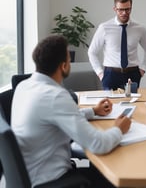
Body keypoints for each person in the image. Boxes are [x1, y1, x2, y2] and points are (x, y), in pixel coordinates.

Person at [11, 35, 131, 187]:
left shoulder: (24, 86)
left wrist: (93, 111)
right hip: (51, 180)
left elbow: (54, 117)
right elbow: (98, 144)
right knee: (117, 176)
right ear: (64, 66)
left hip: (30, 173)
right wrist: (119, 129)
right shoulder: (55, 96)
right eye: (69, 59)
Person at [88, 0, 146, 90]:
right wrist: (100, 73)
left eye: (127, 9)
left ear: (131, 8)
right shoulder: (104, 27)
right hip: (110, 75)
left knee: (133, 104)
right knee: (110, 104)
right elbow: (92, 52)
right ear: (115, 9)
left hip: (133, 74)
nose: (124, 13)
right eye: (120, 10)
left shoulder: (139, 28)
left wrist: (143, 69)